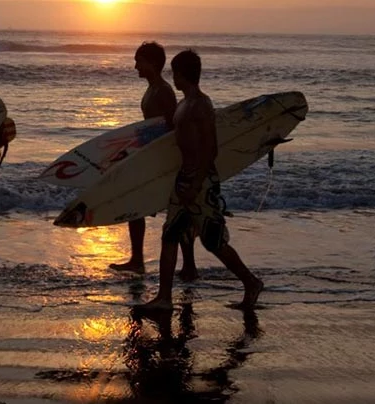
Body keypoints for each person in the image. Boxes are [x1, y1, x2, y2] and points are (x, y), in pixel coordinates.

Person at [134, 49, 263, 311]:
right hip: (185, 178)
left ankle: (251, 282)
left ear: (183, 74)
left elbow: (211, 149)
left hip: (200, 182)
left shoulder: (201, 105)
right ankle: (164, 299)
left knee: (212, 241)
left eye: (175, 72)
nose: (173, 77)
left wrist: (195, 185)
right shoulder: (184, 104)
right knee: (169, 235)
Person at [110, 42, 197, 280]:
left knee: (176, 212)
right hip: (150, 156)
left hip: (162, 159)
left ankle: (188, 265)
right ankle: (138, 260)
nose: (135, 65)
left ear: (152, 63)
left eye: (139, 61)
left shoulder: (163, 91)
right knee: (136, 205)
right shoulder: (152, 89)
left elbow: (171, 127)